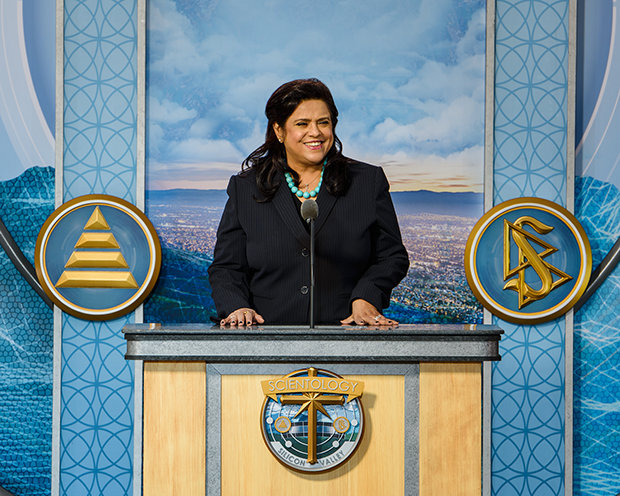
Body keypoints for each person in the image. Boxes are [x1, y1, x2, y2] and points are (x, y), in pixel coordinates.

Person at [208, 78, 409, 326]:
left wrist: (366, 296)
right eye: (302, 123)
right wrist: (237, 306)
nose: (315, 132)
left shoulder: (367, 182)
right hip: (266, 335)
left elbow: (392, 256)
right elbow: (227, 267)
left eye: (323, 122)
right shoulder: (246, 188)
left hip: (347, 332)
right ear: (279, 131)